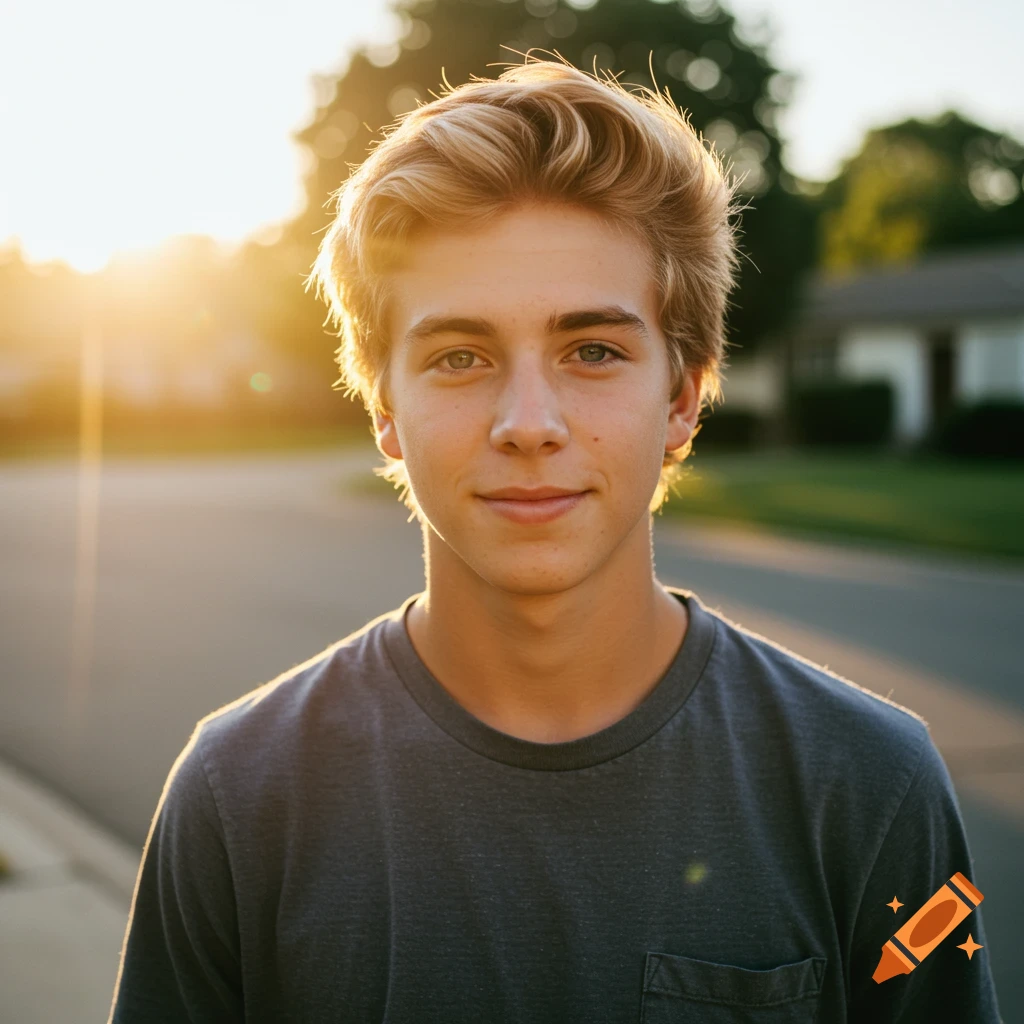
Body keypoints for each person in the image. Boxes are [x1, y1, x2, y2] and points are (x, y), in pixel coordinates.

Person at [108, 58, 1001, 1023]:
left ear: (682, 396)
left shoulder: (871, 784)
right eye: (460, 356)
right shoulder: (237, 797)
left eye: (593, 351)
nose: (528, 422)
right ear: (384, 409)